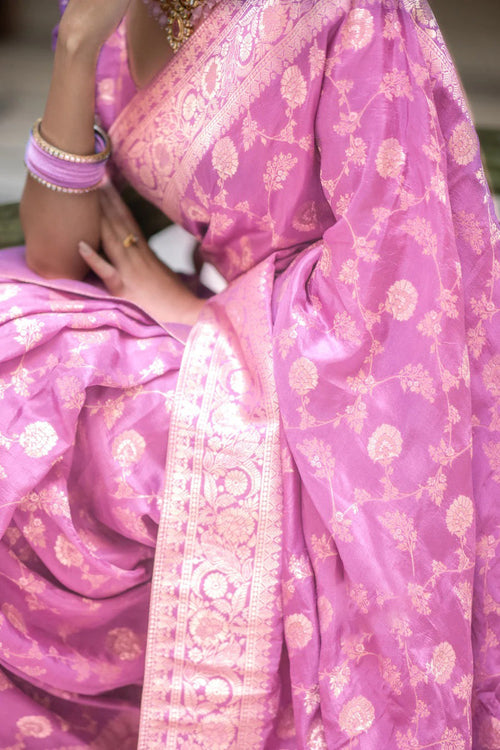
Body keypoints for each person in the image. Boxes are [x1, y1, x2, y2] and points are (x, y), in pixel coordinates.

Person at [0, 0, 498, 746]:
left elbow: (397, 288)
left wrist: (191, 313)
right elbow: (55, 254)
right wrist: (75, 47)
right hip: (238, 339)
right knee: (19, 340)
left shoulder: (353, 13)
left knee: (62, 423)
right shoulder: (126, 12)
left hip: (355, 394)